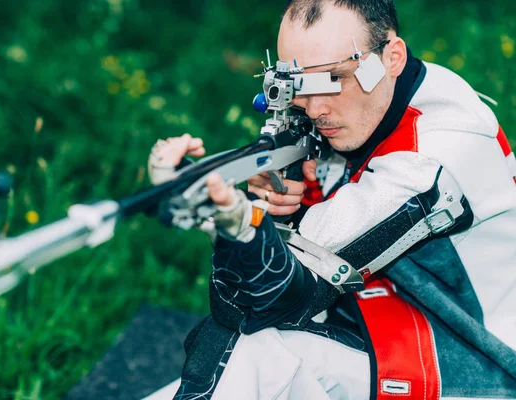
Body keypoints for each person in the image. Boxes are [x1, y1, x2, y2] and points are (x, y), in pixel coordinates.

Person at [143, 0, 516, 398]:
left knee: (256, 351)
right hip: (381, 318)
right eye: (299, 87)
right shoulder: (386, 92)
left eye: (335, 79)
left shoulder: (430, 160)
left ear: (392, 56)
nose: (316, 111)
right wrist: (284, 200)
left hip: (470, 366)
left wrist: (234, 221)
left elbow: (265, 301)